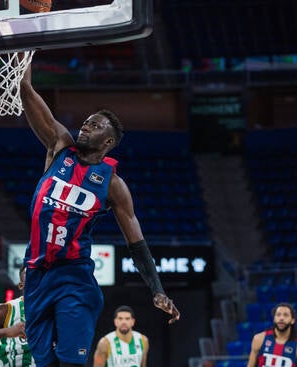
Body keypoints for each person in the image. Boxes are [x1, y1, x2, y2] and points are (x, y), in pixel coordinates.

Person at [19, 57, 180, 367]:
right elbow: (26, 89)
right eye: (86, 121)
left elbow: (137, 243)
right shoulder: (59, 147)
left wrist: (157, 290)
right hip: (37, 274)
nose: (85, 125)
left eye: (94, 125)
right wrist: (27, 46)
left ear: (108, 142)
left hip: (73, 278)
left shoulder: (113, 185)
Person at [246, 302, 297, 367]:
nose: (281, 318)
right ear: (274, 319)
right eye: (278, 315)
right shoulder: (259, 339)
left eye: (285, 315)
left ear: (292, 320)